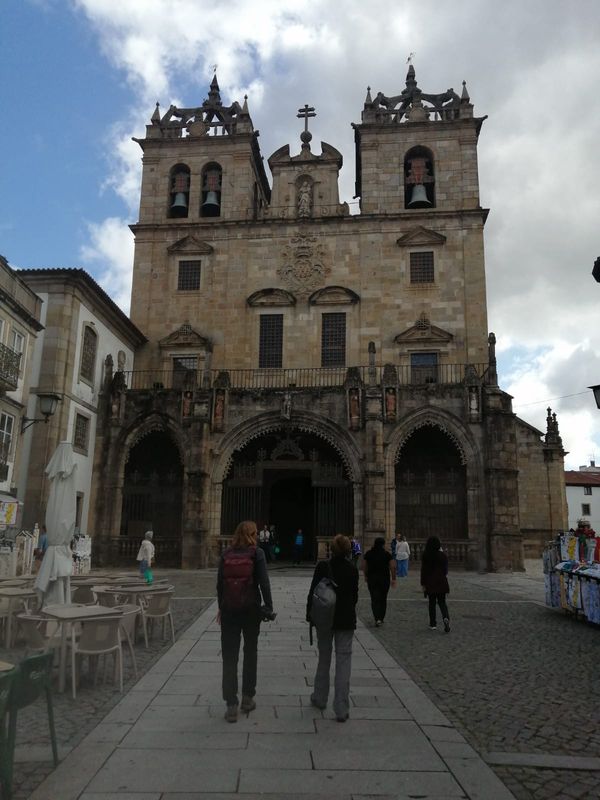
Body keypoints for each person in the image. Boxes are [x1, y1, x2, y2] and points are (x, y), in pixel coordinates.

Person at [217, 520, 273, 723]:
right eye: (255, 532)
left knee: (229, 657)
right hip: (250, 610)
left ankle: (231, 704)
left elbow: (219, 585)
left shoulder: (226, 554)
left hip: (230, 610)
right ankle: (248, 698)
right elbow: (264, 582)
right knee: (250, 652)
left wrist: (221, 608)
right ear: (252, 534)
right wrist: (268, 606)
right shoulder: (257, 553)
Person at [306, 534, 358, 722]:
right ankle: (341, 709)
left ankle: (320, 698)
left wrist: (309, 615)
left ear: (331, 549)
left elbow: (313, 592)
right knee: (344, 662)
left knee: (324, 658)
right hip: (345, 620)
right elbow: (354, 597)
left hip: (324, 619)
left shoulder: (323, 567)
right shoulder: (353, 570)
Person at [362, 536, 396, 626]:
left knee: (374, 598)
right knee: (383, 598)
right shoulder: (387, 554)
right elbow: (392, 566)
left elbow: (364, 565)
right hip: (384, 579)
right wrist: (393, 579)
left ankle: (376, 618)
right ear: (383, 545)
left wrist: (365, 575)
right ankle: (381, 617)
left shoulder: (369, 553)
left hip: (372, 579)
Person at [420, 535, 450, 632]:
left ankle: (433, 624)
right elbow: (446, 570)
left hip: (430, 582)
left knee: (431, 603)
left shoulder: (426, 555)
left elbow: (423, 570)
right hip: (441, 581)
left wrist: (423, 583)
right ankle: (446, 617)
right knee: (442, 602)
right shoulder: (443, 555)